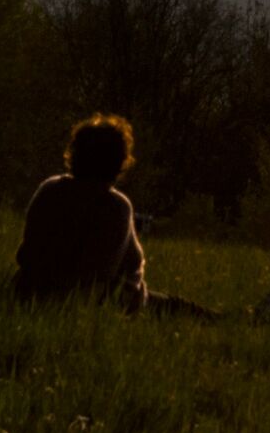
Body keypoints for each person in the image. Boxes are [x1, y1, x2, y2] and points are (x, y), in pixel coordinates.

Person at [13, 114, 220, 319]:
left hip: (30, 293)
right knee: (174, 308)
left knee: (173, 305)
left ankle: (229, 318)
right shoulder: (114, 206)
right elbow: (99, 275)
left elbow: (27, 253)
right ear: (119, 162)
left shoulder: (50, 189)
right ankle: (231, 318)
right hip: (97, 303)